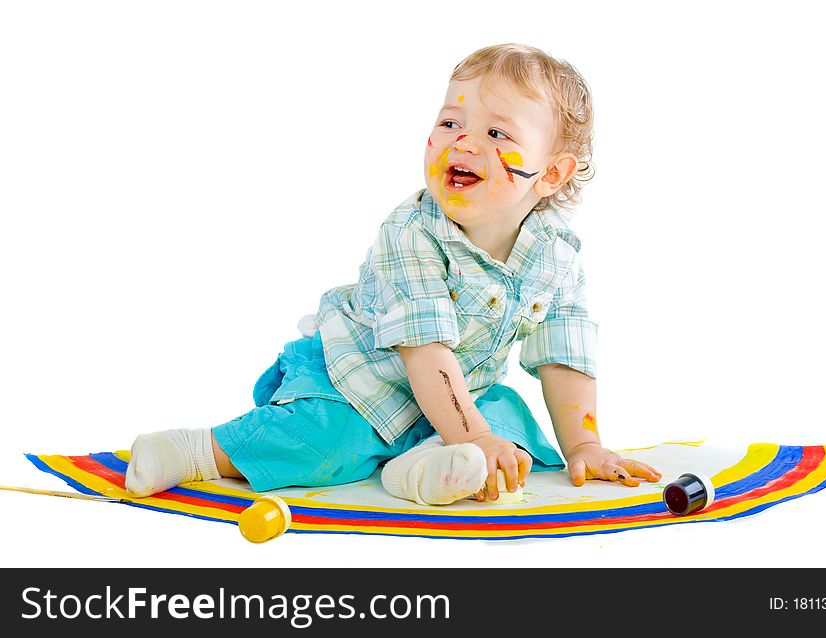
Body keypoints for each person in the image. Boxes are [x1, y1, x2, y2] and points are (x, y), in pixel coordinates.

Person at [125, 43, 661, 506]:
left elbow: (563, 352)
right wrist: (472, 437)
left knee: (514, 428)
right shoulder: (412, 231)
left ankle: (421, 471)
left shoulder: (556, 252)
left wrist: (583, 446)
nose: (464, 142)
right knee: (327, 443)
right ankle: (193, 450)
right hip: (356, 379)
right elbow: (425, 353)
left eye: (497, 132)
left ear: (552, 174)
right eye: (451, 122)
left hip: (458, 395)